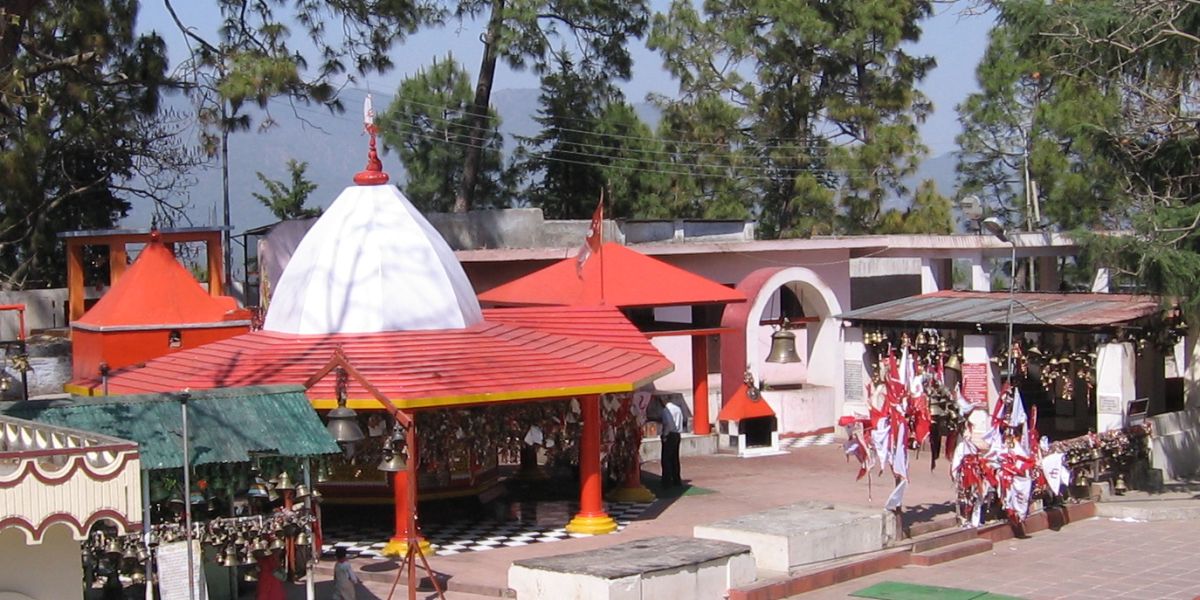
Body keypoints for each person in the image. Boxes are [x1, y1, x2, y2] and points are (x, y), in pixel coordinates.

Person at [658, 396, 684, 487]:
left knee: (666, 459)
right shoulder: (678, 409)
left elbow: (668, 423)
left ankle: (667, 481)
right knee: (675, 458)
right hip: (677, 434)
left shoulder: (666, 410)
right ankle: (676, 479)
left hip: (670, 435)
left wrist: (665, 435)